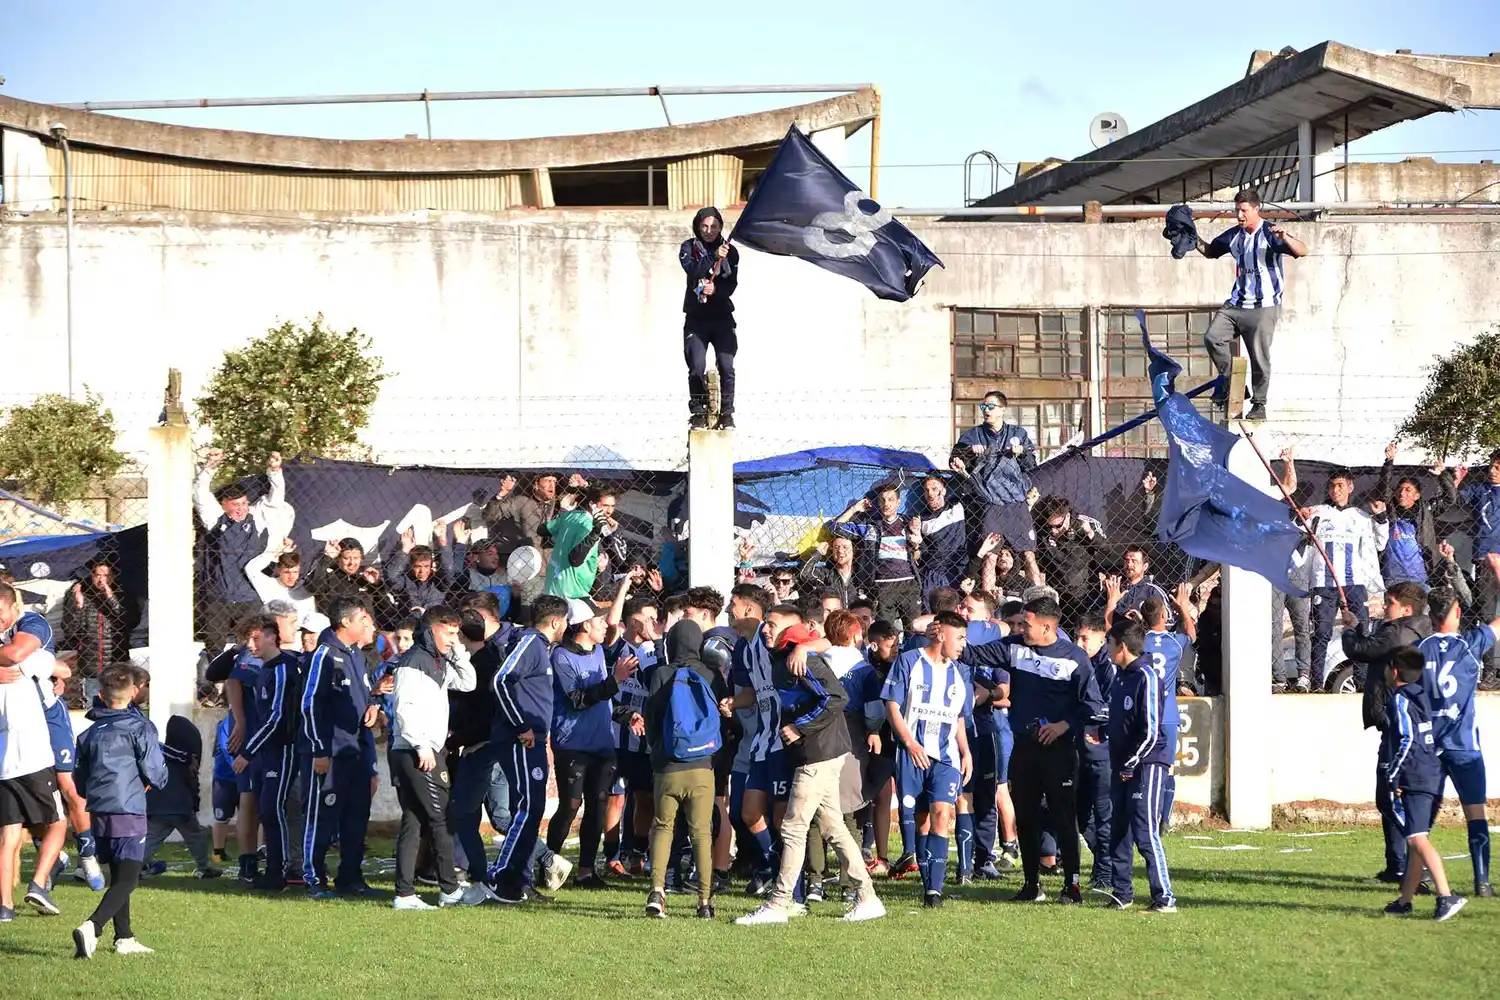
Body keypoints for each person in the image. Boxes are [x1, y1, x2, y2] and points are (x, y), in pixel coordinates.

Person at [737, 621, 884, 924]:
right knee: (833, 827)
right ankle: (867, 897)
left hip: (818, 755)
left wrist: (799, 726)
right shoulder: (785, 657)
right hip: (820, 753)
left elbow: (835, 698)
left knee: (793, 827)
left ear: (790, 638)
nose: (766, 630)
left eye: (774, 626)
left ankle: (780, 903)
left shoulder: (803, 660)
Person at [962, 595, 1106, 903]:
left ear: (1047, 627)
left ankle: (1072, 885)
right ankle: (1031, 885)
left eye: (1026, 624)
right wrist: (947, 632)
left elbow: (1092, 706)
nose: (1020, 628)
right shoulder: (1015, 648)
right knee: (1025, 817)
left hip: (1060, 750)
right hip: (1024, 748)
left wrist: (1063, 726)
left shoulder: (1074, 658)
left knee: (1064, 817)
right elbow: (970, 654)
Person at [388, 606, 486, 909]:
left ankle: (404, 894)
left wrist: (458, 653)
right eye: (449, 632)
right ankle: (450, 890)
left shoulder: (437, 660)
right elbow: (404, 708)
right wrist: (422, 746)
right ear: (432, 630)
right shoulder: (413, 661)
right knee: (442, 818)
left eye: (457, 633)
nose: (454, 639)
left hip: (421, 750)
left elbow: (468, 683)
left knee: (415, 821)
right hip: (417, 753)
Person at [71, 664, 168, 958]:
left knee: (117, 873)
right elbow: (156, 771)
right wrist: (153, 784)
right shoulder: (140, 727)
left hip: (99, 810)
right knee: (129, 878)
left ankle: (124, 938)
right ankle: (93, 927)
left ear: (100, 694)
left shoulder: (88, 734)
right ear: (134, 692)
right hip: (128, 808)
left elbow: (79, 778)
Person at [879, 611, 973, 908]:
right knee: (921, 820)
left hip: (946, 756)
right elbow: (892, 705)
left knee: (942, 814)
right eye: (959, 638)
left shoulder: (961, 672)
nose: (963, 645)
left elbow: (959, 717)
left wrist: (966, 751)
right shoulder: (909, 661)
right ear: (941, 634)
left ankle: (934, 890)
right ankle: (926, 882)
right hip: (913, 754)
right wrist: (909, 742)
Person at [1417, 561, 1500, 897]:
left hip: (1430, 747)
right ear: (1453, 612)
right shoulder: (1470, 643)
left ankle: (1419, 878)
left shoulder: (1419, 650)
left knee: (1423, 818)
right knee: (1475, 813)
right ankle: (1482, 882)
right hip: (1463, 745)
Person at [1341, 581, 1431, 884]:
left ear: (1405, 609)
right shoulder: (1418, 629)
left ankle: (1422, 866)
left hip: (1398, 726)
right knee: (1392, 797)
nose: (1385, 607)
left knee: (1389, 798)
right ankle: (1397, 867)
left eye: (1389, 603)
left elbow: (1359, 649)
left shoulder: (1398, 632)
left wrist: (1350, 628)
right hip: (1402, 723)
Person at [1195, 188, 1307, 421]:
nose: (1239, 215)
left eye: (1244, 210)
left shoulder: (1270, 233)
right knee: (1212, 337)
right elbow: (1210, 251)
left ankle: (1259, 405)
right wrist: (1191, 238)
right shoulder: (1234, 235)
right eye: (1237, 210)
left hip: (1264, 307)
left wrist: (1285, 237)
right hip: (1236, 304)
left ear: (1257, 209)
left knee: (1259, 358)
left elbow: (1303, 250)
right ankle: (1231, 384)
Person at [487, 594, 570, 904]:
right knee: (527, 808)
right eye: (566, 621)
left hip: (533, 739)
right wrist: (521, 725)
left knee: (533, 809)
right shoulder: (530, 643)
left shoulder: (540, 647)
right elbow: (500, 681)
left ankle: (520, 882)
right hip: (521, 740)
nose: (567, 627)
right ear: (555, 622)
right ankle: (502, 876)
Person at [546, 598, 632, 889]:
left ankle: (586, 871)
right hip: (572, 744)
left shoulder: (597, 653)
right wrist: (616, 681)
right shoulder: (561, 657)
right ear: (584, 625)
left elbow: (603, 701)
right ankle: (549, 865)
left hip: (602, 745)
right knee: (570, 805)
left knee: (598, 804)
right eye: (598, 621)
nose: (604, 626)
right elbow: (579, 700)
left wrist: (627, 715)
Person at [643, 619, 726, 919]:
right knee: (701, 833)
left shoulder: (660, 674)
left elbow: (651, 717)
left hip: (667, 765)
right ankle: (704, 902)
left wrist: (657, 749)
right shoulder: (711, 674)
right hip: (702, 765)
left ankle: (657, 891)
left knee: (663, 826)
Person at [299, 597, 380, 899]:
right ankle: (313, 878)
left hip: (355, 752)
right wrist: (320, 749)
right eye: (362, 619)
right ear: (346, 623)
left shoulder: (356, 654)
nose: (367, 623)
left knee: (356, 815)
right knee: (321, 816)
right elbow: (310, 705)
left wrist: (372, 705)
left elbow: (363, 693)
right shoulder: (324, 655)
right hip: (329, 753)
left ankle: (350, 877)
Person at [1380, 648, 1466, 921]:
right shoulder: (1421, 696)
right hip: (1430, 773)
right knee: (1416, 839)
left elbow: (1407, 739)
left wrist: (1392, 775)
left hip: (1415, 776)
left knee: (1417, 839)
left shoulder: (1401, 700)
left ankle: (1445, 896)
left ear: (1395, 671)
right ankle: (1405, 900)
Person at [0, 583, 68, 921]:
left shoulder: (26, 639)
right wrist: (46, 673)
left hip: (4, 759)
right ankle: (39, 883)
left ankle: (5, 908)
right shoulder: (27, 655)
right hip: (32, 753)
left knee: (10, 831)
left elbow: (63, 673)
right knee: (58, 821)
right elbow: (63, 668)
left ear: (14, 609)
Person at [1103, 619, 1176, 913]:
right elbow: (1121, 719)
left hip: (1146, 764)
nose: (1106, 649)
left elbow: (1151, 729)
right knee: (1118, 829)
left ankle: (1165, 897)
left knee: (1145, 832)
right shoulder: (1120, 676)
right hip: (1122, 764)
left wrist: (1132, 762)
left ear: (1121, 646)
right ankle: (1122, 892)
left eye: (1109, 644)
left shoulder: (1147, 676)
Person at [448, 593, 514, 888]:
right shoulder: (487, 659)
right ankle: (528, 865)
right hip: (485, 746)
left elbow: (482, 715)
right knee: (488, 814)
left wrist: (455, 738)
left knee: (466, 813)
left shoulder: (480, 666)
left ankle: (480, 873)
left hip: (483, 747)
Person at [1302, 469, 1389, 689]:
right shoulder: (1319, 513)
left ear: (1350, 487)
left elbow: (1380, 543)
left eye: (1340, 485)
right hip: (1324, 583)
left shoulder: (1361, 516)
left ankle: (1361, 682)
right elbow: (1299, 529)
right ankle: (1316, 684)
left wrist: (1381, 518)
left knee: (1360, 632)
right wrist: (1300, 516)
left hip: (1354, 584)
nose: (1335, 490)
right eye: (1332, 486)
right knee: (1321, 633)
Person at [236, 615, 303, 891]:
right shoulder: (264, 669)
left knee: (274, 808)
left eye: (255, 638)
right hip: (267, 752)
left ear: (272, 637)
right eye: (247, 639)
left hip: (283, 749)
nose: (251, 644)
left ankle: (281, 871)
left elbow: (276, 719)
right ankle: (274, 869)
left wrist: (247, 751)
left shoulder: (283, 669)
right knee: (267, 809)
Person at [194, 449, 284, 654]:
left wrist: (275, 471)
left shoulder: (257, 519)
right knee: (214, 647)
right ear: (224, 505)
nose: (241, 509)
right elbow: (200, 492)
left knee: (253, 645)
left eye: (244, 503)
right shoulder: (215, 518)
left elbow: (275, 500)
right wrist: (209, 467)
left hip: (248, 596)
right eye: (235, 505)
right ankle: (217, 684)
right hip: (218, 596)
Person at [951, 390, 1042, 584]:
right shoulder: (974, 434)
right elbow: (954, 461)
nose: (986, 410)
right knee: (990, 556)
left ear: (1002, 409)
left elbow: (1032, 465)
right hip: (992, 504)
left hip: (1017, 503)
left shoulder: (1018, 434)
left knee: (1029, 555)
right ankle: (987, 601)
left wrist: (1022, 454)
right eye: (983, 406)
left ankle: (1039, 596)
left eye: (991, 406)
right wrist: (969, 453)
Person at [679, 206, 740, 429]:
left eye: (714, 226)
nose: (709, 230)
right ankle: (698, 411)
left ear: (720, 227)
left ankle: (727, 413)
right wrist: (713, 257)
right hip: (697, 319)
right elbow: (694, 271)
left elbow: (731, 284)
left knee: (727, 366)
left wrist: (716, 291)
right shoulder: (688, 248)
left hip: (722, 318)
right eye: (704, 226)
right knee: (696, 366)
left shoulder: (730, 252)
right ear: (698, 226)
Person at [830, 485, 923, 630]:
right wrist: (854, 509)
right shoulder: (870, 527)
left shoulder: (908, 524)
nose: (887, 504)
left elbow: (918, 556)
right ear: (878, 503)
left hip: (908, 585)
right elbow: (836, 527)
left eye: (891, 499)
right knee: (884, 632)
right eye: (883, 500)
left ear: (898, 502)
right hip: (882, 586)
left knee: (914, 629)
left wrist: (916, 544)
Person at [143, 714, 220, 879]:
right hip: (181, 808)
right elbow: (192, 785)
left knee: (151, 839)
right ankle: (203, 867)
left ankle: (135, 867)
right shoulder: (185, 760)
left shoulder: (161, 756)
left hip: (158, 806)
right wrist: (195, 804)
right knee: (195, 837)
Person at [1452, 452, 1500, 685]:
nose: (1493, 471)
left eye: (1498, 467)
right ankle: (1490, 671)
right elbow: (1456, 499)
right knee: (1488, 616)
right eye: (1491, 466)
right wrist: (1455, 482)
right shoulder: (1481, 490)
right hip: (1486, 561)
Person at [542, 488, 625, 599]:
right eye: (605, 505)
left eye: (612, 506)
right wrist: (595, 533)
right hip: (572, 591)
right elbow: (575, 559)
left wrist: (612, 534)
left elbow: (541, 529)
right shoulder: (586, 525)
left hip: (559, 586)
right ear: (592, 504)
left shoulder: (573, 516)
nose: (609, 511)